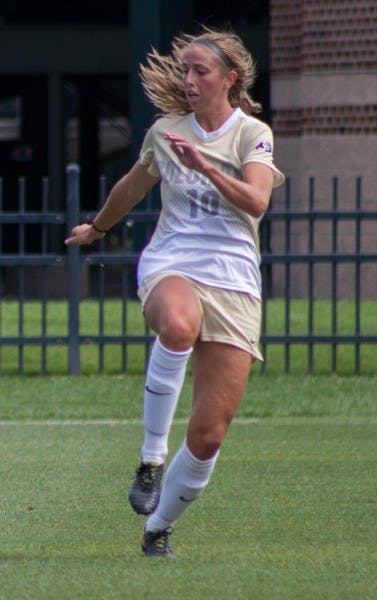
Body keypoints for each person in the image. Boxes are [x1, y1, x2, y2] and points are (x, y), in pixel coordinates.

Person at [65, 28, 283, 557]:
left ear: (229, 78)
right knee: (179, 325)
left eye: (199, 71)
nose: (188, 79)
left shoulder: (252, 133)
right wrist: (97, 227)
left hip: (234, 279)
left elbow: (257, 201)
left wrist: (204, 165)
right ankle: (151, 458)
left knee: (209, 437)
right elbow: (131, 187)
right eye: (184, 70)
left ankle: (158, 526)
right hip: (173, 262)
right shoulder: (165, 131)